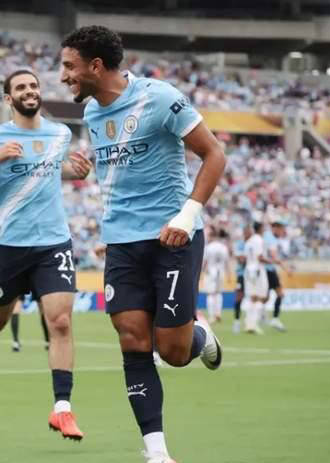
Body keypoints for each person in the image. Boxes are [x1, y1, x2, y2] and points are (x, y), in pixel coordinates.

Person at [60, 26, 226, 463]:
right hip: (122, 243)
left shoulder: (160, 97)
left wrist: (186, 215)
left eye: (69, 66)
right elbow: (119, 174)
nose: (63, 76)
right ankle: (157, 452)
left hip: (173, 237)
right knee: (132, 339)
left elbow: (214, 154)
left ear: (96, 66)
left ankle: (199, 333)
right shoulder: (92, 113)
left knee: (172, 352)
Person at [0, 69, 92, 441]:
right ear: (9, 98)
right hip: (10, 245)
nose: (30, 91)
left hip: (54, 242)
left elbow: (48, 171)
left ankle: (62, 409)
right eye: (21, 87)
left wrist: (75, 171)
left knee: (61, 322)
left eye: (33, 86)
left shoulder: (59, 133)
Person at [264, 221, 291, 332]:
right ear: (276, 228)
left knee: (264, 297)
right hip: (268, 270)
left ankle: (260, 316)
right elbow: (274, 257)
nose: (282, 232)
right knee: (280, 294)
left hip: (265, 270)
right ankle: (274, 319)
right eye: (281, 229)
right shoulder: (271, 239)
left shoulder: (266, 235)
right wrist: (286, 269)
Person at [243, 222, 270, 335]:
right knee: (260, 298)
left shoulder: (248, 241)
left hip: (248, 269)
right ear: (261, 228)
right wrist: (272, 261)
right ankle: (254, 325)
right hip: (258, 270)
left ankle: (248, 324)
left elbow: (245, 258)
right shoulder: (259, 240)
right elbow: (260, 257)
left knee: (252, 298)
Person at [202, 229, 230, 323]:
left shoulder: (208, 247)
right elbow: (227, 262)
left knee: (210, 294)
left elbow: (205, 262)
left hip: (211, 271)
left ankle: (211, 316)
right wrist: (228, 274)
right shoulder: (223, 247)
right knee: (218, 293)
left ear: (212, 236)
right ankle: (218, 313)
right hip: (221, 271)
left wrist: (202, 272)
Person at [232, 226, 251, 334]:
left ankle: (250, 322)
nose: (249, 234)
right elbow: (240, 259)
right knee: (239, 297)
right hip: (242, 274)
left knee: (253, 297)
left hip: (252, 275)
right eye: (247, 232)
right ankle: (237, 321)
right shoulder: (240, 244)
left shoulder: (253, 244)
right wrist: (249, 258)